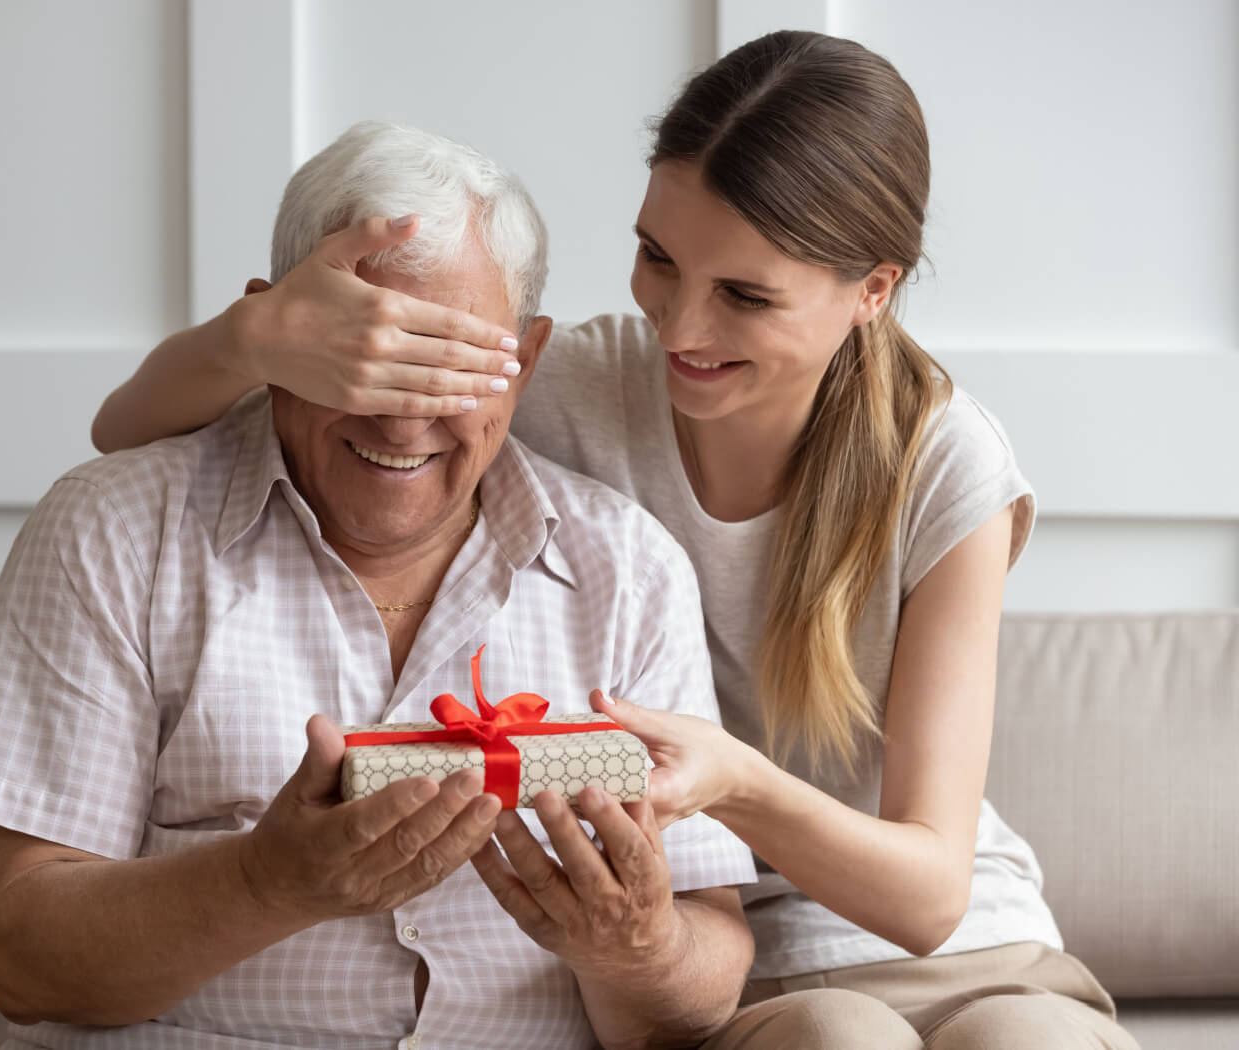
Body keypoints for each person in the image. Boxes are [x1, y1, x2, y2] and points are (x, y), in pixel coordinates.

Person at [88, 30, 1142, 1050]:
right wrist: (255, 336)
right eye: (656, 258)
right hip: (735, 966)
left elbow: (927, 895)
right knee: (839, 1038)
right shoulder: (576, 385)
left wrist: (730, 779)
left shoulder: (946, 464)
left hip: (972, 948)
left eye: (743, 296)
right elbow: (130, 440)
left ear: (873, 288)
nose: (680, 329)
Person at [0, 120, 757, 1050]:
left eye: (450, 369)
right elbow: (23, 961)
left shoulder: (629, 568)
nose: (405, 426)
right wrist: (264, 884)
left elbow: (703, 972)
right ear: (269, 334)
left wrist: (639, 951)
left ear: (523, 365)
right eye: (365, 361)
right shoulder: (114, 531)